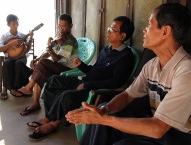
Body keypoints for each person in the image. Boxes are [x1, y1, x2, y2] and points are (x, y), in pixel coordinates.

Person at [66, 3, 191, 145]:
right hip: (157, 128)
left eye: (149, 24)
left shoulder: (186, 71)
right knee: (104, 114)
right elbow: (126, 96)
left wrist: (103, 118)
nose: (144, 30)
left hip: (178, 137)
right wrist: (104, 111)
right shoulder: (152, 65)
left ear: (165, 31)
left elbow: (158, 128)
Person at [28, 16, 135, 140]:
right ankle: (51, 116)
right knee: (53, 80)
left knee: (67, 96)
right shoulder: (106, 49)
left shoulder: (126, 57)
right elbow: (94, 70)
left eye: (112, 29)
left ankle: (53, 123)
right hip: (86, 81)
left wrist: (88, 85)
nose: (108, 31)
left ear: (122, 36)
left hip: (95, 90)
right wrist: (82, 66)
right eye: (109, 28)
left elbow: (116, 82)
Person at [18, 14, 78, 115]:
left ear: (70, 26)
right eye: (59, 25)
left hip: (66, 68)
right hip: (56, 66)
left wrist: (50, 51)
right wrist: (37, 59)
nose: (61, 28)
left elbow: (58, 59)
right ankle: (36, 103)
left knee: (43, 64)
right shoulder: (59, 37)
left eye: (63, 26)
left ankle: (29, 87)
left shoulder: (71, 41)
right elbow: (48, 50)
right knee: (41, 69)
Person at [0, 14, 33, 100]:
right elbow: (0, 49)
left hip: (21, 56)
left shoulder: (22, 35)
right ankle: (5, 88)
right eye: (13, 24)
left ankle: (18, 87)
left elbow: (27, 49)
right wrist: (11, 43)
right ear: (8, 25)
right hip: (9, 57)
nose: (16, 25)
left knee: (19, 63)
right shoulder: (4, 36)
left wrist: (31, 38)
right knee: (7, 63)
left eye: (17, 23)